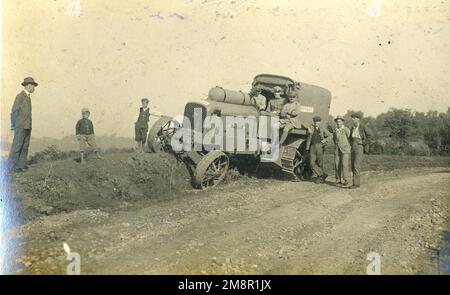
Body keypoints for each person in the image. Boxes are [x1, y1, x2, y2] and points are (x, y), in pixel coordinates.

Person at [8, 77, 38, 173]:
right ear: (28, 86)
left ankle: (20, 166)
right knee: (17, 146)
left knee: (25, 146)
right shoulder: (20, 97)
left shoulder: (28, 97)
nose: (34, 88)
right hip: (20, 126)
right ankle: (11, 167)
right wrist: (13, 124)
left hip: (27, 126)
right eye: (33, 86)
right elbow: (14, 111)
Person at [349, 112, 373, 189]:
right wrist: (351, 144)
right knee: (353, 165)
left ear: (358, 119)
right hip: (353, 147)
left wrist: (363, 142)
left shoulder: (363, 126)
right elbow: (350, 138)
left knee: (356, 165)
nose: (352, 119)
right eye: (352, 118)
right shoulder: (352, 127)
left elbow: (370, 135)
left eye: (354, 118)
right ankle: (354, 183)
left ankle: (356, 184)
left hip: (359, 147)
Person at [306, 116, 332, 184]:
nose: (316, 123)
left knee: (320, 163)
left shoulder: (322, 129)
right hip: (312, 147)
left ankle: (320, 178)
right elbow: (308, 137)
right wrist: (307, 148)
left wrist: (325, 140)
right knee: (312, 163)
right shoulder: (311, 128)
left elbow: (331, 135)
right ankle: (322, 175)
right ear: (313, 122)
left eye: (318, 122)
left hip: (320, 146)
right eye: (315, 122)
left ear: (320, 122)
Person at [332, 115, 351, 187]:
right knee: (337, 164)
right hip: (337, 149)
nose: (338, 123)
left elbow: (350, 139)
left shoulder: (346, 129)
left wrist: (348, 146)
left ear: (342, 122)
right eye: (337, 122)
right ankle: (338, 179)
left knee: (344, 164)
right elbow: (334, 140)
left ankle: (346, 179)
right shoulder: (335, 130)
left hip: (345, 149)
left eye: (340, 122)